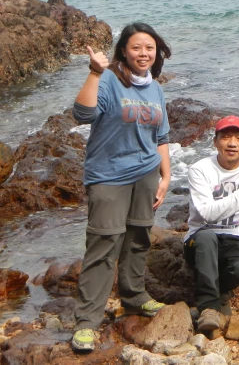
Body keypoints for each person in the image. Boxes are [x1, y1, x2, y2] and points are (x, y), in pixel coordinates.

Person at [71, 23, 172, 352]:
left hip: (146, 174)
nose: (144, 54)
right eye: (136, 48)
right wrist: (93, 73)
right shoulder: (109, 79)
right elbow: (82, 114)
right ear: (123, 51)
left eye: (149, 48)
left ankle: (134, 297)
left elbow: (161, 136)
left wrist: (166, 177)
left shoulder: (155, 87)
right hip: (109, 175)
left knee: (139, 236)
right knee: (104, 243)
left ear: (156, 53)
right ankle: (87, 320)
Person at [184, 115, 239, 333]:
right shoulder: (200, 170)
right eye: (225, 137)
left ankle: (217, 290)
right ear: (215, 141)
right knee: (207, 236)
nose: (232, 143)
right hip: (200, 239)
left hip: (234, 236)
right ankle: (208, 307)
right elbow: (206, 214)